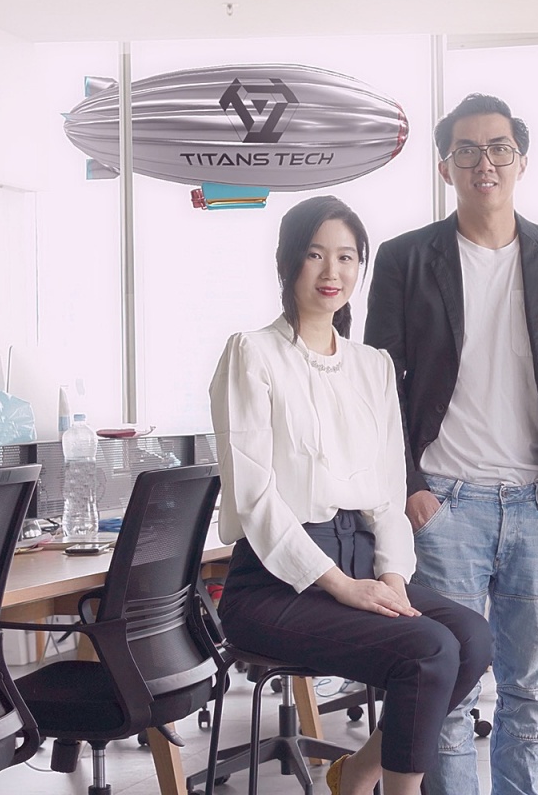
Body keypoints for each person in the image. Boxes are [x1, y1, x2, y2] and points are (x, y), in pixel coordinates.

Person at [364, 94, 538, 795]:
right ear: (446, 167)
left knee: (530, 690)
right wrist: (412, 490)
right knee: (449, 689)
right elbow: (378, 388)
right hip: (445, 503)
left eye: (499, 148)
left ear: (521, 161)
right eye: (466, 150)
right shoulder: (406, 258)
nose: (484, 163)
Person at [209, 196, 493, 795]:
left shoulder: (373, 365)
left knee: (471, 638)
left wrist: (391, 579)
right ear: (287, 262)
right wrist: (341, 586)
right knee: (428, 650)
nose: (331, 272)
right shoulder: (252, 353)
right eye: (315, 255)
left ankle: (358, 772)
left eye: (346, 257)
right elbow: (256, 499)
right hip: (276, 585)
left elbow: (388, 492)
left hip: (362, 564)